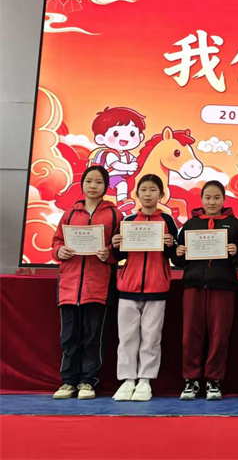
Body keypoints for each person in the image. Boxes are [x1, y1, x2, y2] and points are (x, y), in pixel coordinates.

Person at [174, 181, 238, 401]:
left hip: (223, 286)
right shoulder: (190, 224)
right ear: (201, 199)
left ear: (224, 199)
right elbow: (179, 259)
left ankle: (213, 380)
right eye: (207, 197)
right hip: (193, 285)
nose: (212, 202)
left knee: (219, 335)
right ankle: (191, 380)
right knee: (190, 334)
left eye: (217, 198)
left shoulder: (234, 224)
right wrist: (179, 252)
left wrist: (236, 251)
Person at [51, 166, 122, 400]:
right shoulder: (69, 214)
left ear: (106, 186)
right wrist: (59, 251)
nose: (93, 186)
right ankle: (68, 382)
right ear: (82, 184)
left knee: (93, 337)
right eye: (89, 181)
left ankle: (88, 382)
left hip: (98, 286)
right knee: (69, 337)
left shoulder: (115, 215)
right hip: (69, 286)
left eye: (99, 182)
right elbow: (57, 242)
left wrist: (109, 253)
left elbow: (121, 248)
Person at [110, 174, 178, 401]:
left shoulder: (167, 221)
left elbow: (175, 255)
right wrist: (115, 245)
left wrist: (171, 244)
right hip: (128, 287)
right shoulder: (128, 221)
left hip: (157, 287)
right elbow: (119, 256)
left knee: (151, 336)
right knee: (127, 336)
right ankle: (127, 381)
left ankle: (145, 381)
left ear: (162, 194)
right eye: (144, 190)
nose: (148, 194)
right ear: (136, 194)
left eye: (153, 190)